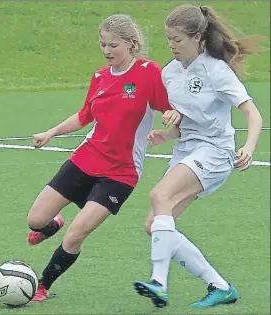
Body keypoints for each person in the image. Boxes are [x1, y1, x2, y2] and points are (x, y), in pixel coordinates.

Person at [26, 14, 181, 302]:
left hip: (121, 172)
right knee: (35, 220)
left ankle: (42, 285)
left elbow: (169, 109)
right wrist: (52, 132)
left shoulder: (149, 72)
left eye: (113, 45)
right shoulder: (99, 76)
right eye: (103, 45)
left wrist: (172, 119)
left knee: (76, 234)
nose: (107, 51)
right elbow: (85, 116)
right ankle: (51, 224)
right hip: (87, 158)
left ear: (132, 44)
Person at [133, 4, 263, 309]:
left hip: (215, 152)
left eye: (178, 39)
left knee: (159, 195)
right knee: (154, 224)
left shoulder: (216, 70)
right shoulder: (169, 72)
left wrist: (249, 146)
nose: (172, 45)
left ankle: (158, 283)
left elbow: (252, 114)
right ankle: (220, 286)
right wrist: (168, 133)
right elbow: (184, 121)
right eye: (169, 39)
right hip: (187, 150)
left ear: (197, 37)